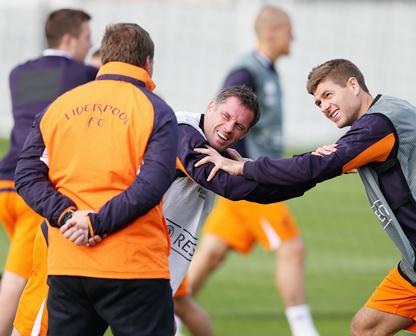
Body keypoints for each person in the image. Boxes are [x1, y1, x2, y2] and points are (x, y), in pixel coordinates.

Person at [196, 58, 416, 335]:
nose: (324, 106)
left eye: (328, 95)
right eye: (318, 103)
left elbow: (315, 168)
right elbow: (316, 168)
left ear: (353, 85)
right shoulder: (392, 111)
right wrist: (325, 161)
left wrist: (244, 167)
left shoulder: (379, 124)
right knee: (365, 328)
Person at [13, 85, 315, 335]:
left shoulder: (218, 152)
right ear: (210, 106)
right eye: (225, 117)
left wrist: (314, 171)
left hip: (125, 257)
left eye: (239, 127)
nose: (228, 129)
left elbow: (258, 192)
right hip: (77, 245)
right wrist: (316, 165)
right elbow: (232, 186)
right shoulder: (184, 133)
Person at [14, 23, 179, 335]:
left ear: (104, 60)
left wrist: (66, 215)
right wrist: (96, 223)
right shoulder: (156, 110)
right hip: (133, 267)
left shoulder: (58, 106)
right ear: (147, 64)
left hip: (68, 264)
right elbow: (152, 185)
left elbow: (27, 175)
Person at [188, 6, 320, 336]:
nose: (294, 38)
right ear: (272, 33)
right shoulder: (245, 73)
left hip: (247, 178)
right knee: (292, 248)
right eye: (290, 31)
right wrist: (239, 168)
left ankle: (170, 314)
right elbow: (223, 117)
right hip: (251, 180)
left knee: (211, 256)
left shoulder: (268, 71)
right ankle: (305, 331)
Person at [0, 8, 96, 336]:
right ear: (69, 38)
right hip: (35, 191)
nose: (90, 44)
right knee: (16, 279)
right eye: (87, 38)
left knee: (29, 271)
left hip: (5, 186)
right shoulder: (82, 75)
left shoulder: (19, 73)